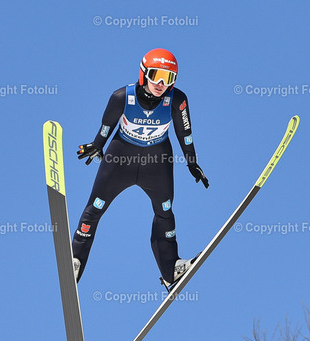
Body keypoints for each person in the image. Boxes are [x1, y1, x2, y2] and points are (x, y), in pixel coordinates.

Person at [72, 48, 208, 288]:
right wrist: (97, 145)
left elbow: (185, 133)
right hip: (119, 161)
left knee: (165, 212)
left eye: (168, 78)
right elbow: (106, 126)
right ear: (144, 74)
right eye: (156, 75)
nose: (161, 84)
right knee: (94, 209)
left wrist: (192, 161)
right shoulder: (121, 97)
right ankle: (75, 261)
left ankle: (171, 269)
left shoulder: (177, 100)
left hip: (157, 163)